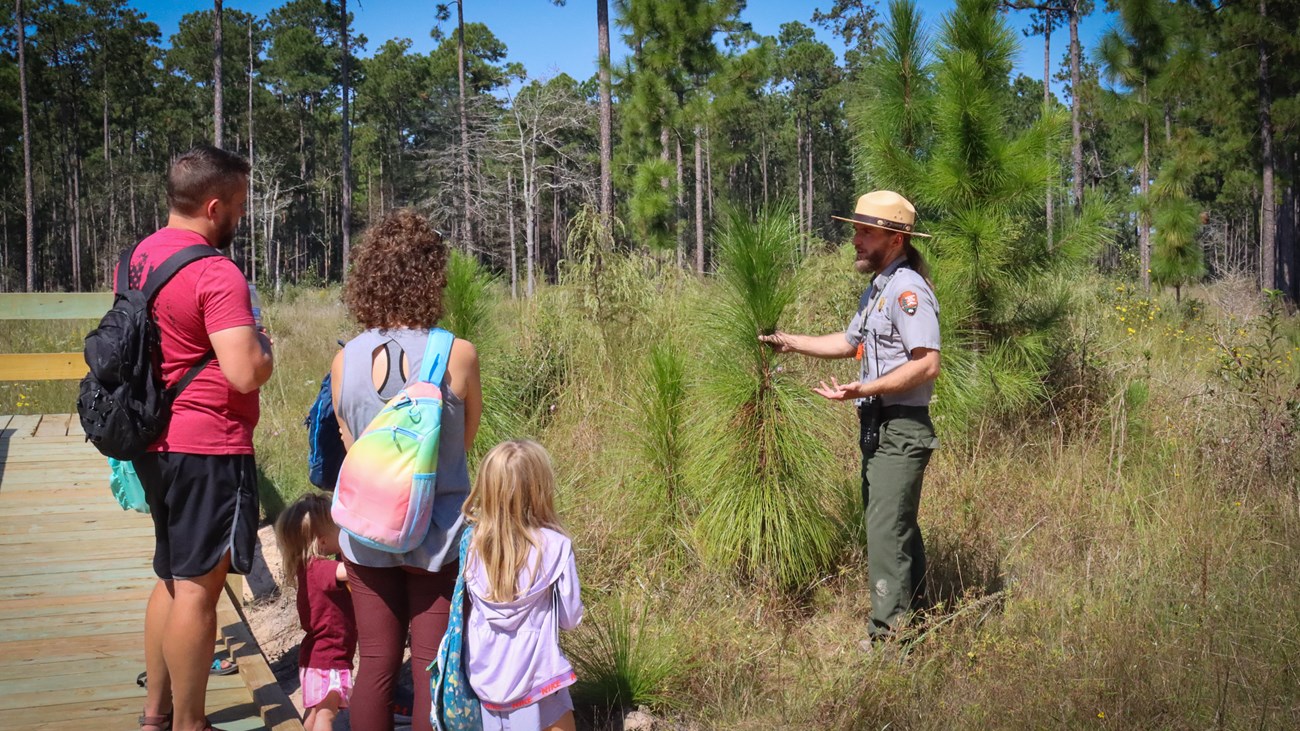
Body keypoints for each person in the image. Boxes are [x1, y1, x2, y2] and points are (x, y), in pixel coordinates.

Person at [131, 145, 274, 731]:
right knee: (198, 588)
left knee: (171, 574)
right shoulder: (216, 271)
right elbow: (243, 371)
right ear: (214, 206)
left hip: (155, 441)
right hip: (207, 445)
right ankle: (191, 723)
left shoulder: (140, 256)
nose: (240, 216)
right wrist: (266, 349)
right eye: (238, 206)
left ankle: (156, 714)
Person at [760, 190, 940, 646]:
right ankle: (917, 619)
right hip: (879, 426)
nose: (855, 240)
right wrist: (788, 341)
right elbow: (846, 342)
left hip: (901, 425)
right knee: (895, 526)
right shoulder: (879, 288)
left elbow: (927, 363)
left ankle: (888, 640)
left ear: (895, 238)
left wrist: (867, 388)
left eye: (865, 232)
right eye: (855, 230)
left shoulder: (908, 291)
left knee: (885, 532)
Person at [330, 209, 483, 731]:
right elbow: (462, 444)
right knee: (427, 667)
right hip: (435, 534)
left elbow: (352, 444)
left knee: (373, 663)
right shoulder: (457, 355)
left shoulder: (344, 358)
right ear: (433, 278)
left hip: (367, 533)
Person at [462, 439, 583, 731]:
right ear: (539, 488)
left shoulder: (471, 545)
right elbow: (570, 619)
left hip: (487, 675)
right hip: (537, 677)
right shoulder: (555, 546)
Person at [274, 493, 357, 731]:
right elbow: (347, 572)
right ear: (322, 541)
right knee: (327, 716)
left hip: (317, 657)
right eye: (340, 529)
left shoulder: (306, 569)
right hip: (330, 658)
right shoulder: (322, 569)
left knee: (315, 713)